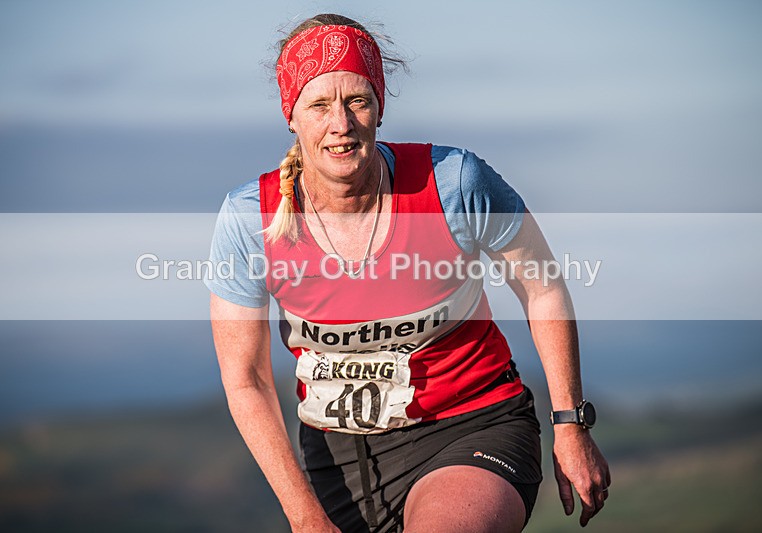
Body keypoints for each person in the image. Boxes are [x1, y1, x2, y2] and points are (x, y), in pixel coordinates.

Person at [206, 13, 610, 533]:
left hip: (471, 425)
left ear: (379, 106)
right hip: (338, 462)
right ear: (293, 116)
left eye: (357, 100)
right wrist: (304, 516)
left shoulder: (454, 182)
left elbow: (542, 286)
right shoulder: (249, 219)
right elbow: (247, 379)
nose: (341, 124)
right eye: (320, 105)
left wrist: (570, 424)